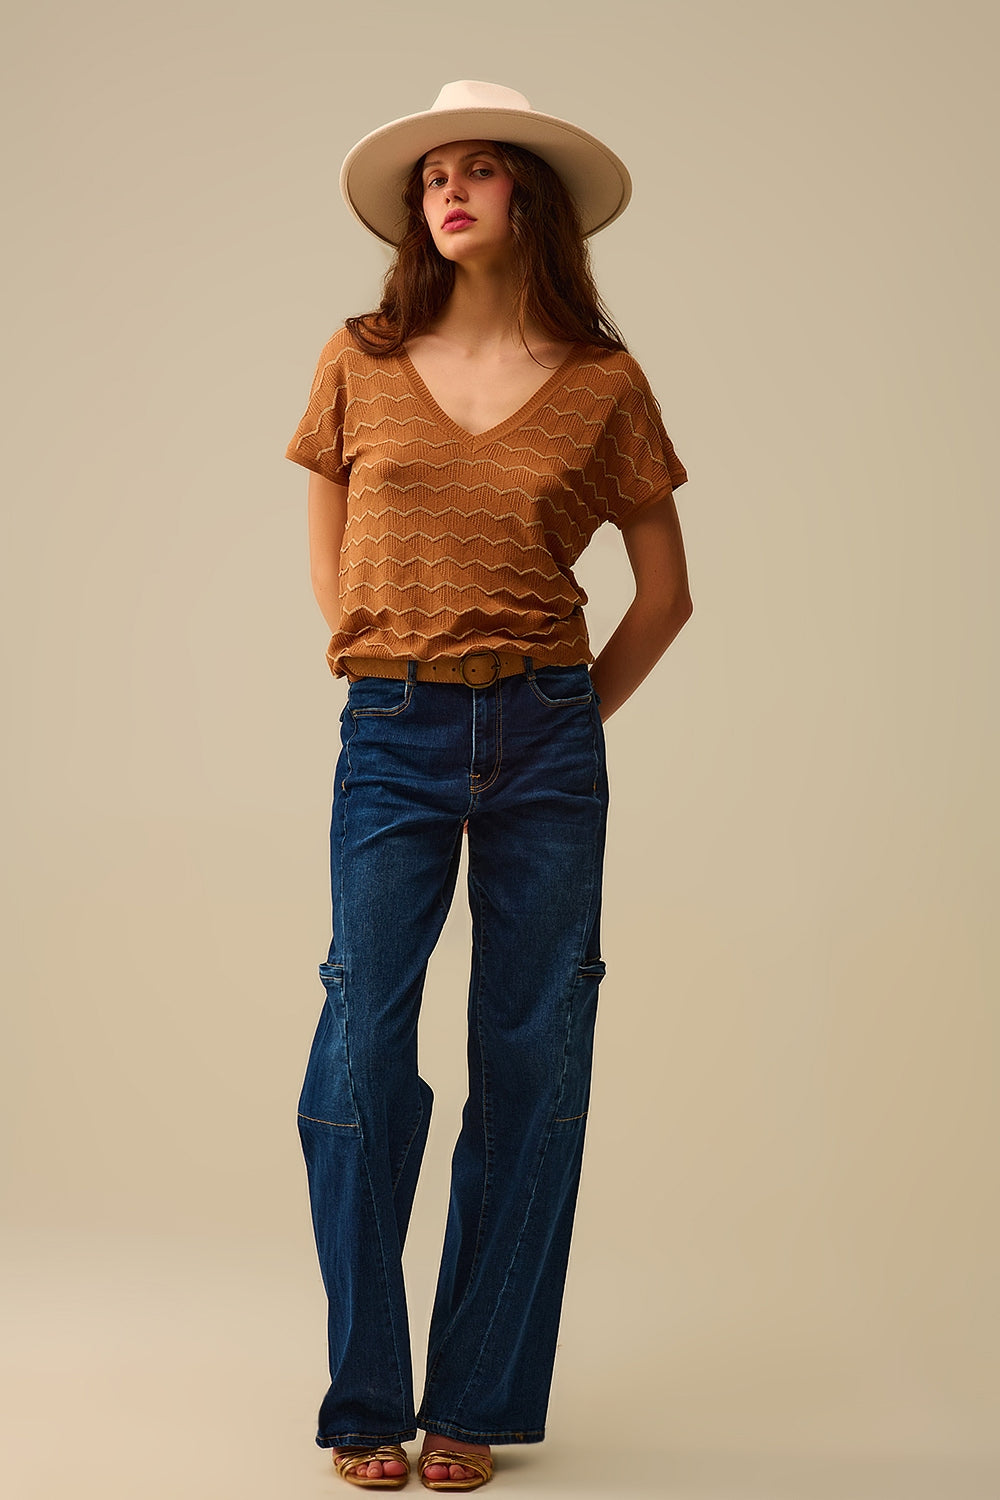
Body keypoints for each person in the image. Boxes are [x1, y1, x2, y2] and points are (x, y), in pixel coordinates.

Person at [284, 80, 693, 1492]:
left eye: (478, 169)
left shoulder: (605, 382)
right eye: (432, 176)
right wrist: (386, 661)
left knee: (532, 1065)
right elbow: (332, 550)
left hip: (547, 743)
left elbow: (665, 594)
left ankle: (473, 1400)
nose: (449, 191)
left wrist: (560, 722)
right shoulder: (358, 357)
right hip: (391, 729)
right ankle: (367, 1394)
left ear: (532, 198)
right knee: (358, 1058)